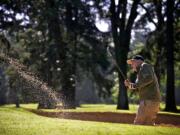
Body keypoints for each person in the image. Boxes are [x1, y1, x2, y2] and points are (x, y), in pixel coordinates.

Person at [124, 55, 161, 125]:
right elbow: (140, 84)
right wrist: (129, 85)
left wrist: (135, 85)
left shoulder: (144, 66)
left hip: (149, 101)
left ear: (138, 61)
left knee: (138, 123)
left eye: (132, 62)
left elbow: (149, 78)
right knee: (148, 125)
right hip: (152, 101)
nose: (131, 65)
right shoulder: (141, 71)